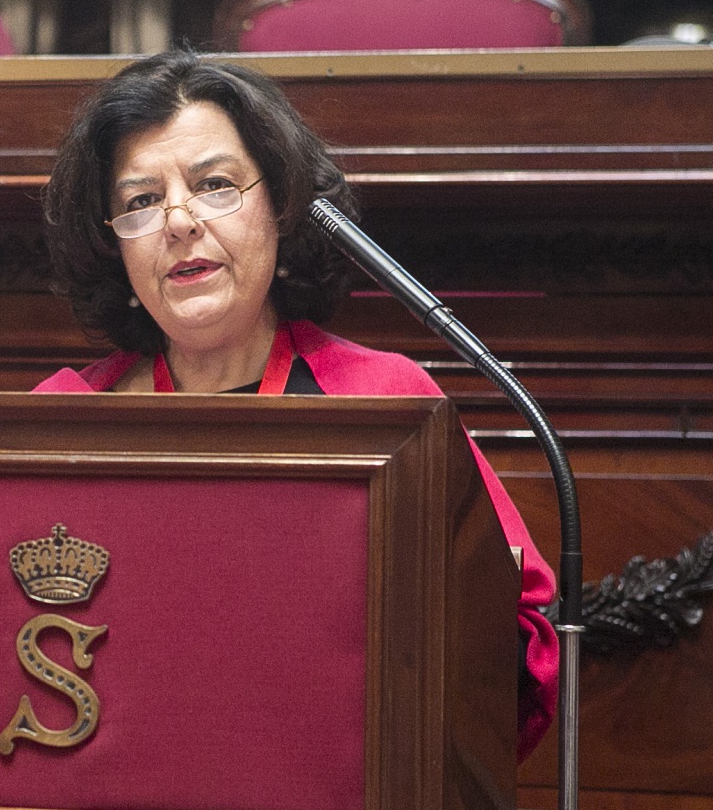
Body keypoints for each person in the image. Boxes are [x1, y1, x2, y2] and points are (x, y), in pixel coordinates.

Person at [36, 49, 559, 759]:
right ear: (113, 245)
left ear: (281, 206)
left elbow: (518, 642)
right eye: (140, 200)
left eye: (214, 184)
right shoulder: (62, 418)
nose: (179, 221)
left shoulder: (386, 404)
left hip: (341, 804)